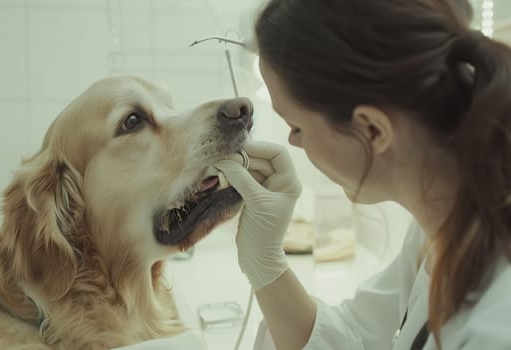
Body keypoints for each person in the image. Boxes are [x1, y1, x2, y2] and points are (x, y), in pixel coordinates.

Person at [213, 0, 511, 349]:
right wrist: (263, 263)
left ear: (371, 129)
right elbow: (357, 336)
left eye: (296, 126)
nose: (293, 142)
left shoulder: (494, 328)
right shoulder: (443, 225)